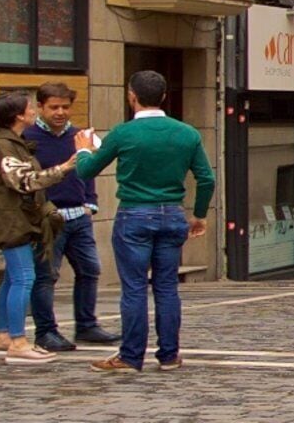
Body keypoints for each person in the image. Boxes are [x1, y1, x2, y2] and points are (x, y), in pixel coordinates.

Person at [55, 69, 211, 372]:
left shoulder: (123, 133)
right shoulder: (187, 133)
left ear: (132, 96)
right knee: (167, 287)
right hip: (172, 212)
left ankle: (130, 355)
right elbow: (206, 178)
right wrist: (200, 214)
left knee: (135, 288)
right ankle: (169, 355)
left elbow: (87, 171)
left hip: (135, 213)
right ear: (163, 96)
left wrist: (83, 149)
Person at [19, 81, 108, 353]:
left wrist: (90, 203)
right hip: (48, 218)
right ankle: (46, 331)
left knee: (90, 270)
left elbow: (88, 168)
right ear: (41, 107)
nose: (60, 112)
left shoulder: (80, 136)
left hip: (79, 215)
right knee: (46, 276)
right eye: (54, 107)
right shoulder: (28, 138)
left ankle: (87, 325)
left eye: (65, 107)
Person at [0, 89, 58, 363]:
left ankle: (2, 335)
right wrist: (65, 168)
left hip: (14, 217)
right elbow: (25, 181)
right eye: (30, 108)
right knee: (24, 277)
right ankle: (18, 341)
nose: (34, 111)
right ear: (18, 116)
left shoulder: (11, 142)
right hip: (10, 220)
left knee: (13, 278)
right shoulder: (2, 145)